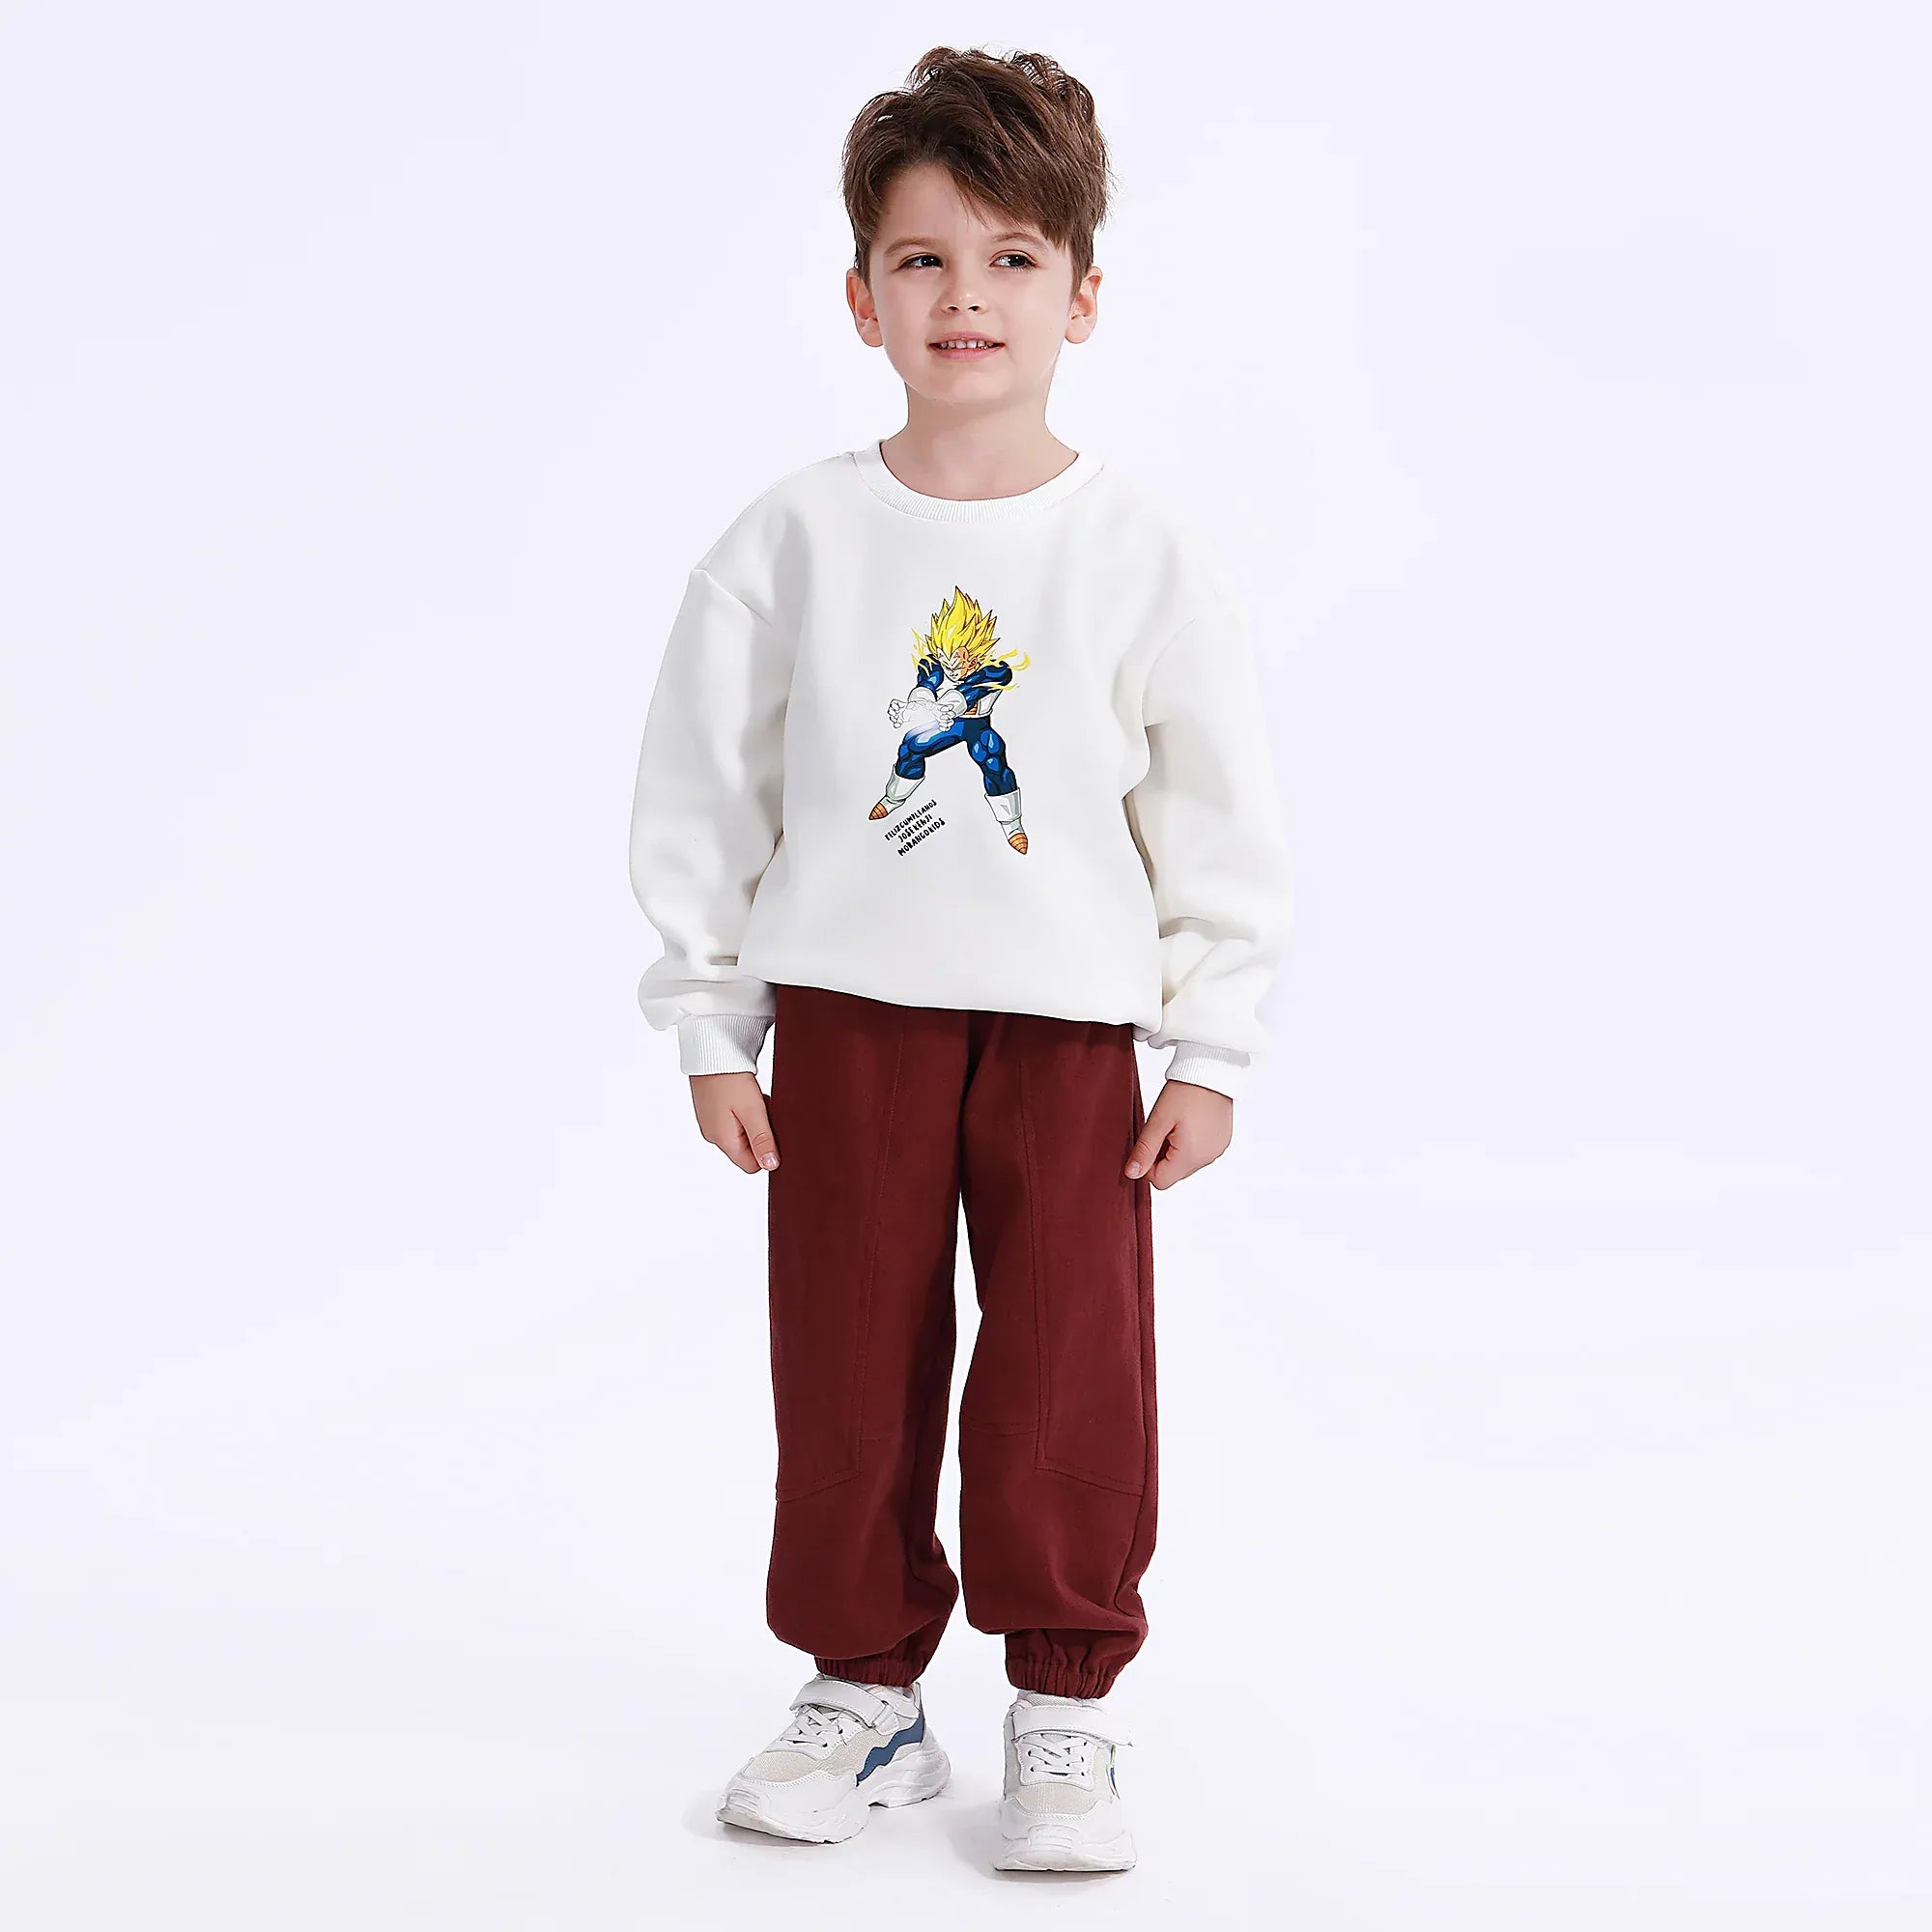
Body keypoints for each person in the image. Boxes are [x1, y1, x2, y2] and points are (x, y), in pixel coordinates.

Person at [627, 45, 1293, 1873]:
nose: (965, 297)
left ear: (1085, 293)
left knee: (1069, 1367)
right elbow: (704, 791)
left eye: (1011, 258)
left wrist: (1212, 1043)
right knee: (849, 1356)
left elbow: (1215, 809)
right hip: (849, 1019)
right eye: (922, 260)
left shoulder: (1141, 550)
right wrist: (712, 1021)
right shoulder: (792, 540)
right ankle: (864, 1690)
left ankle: (1064, 1702)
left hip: (1072, 1031)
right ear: (862, 296)